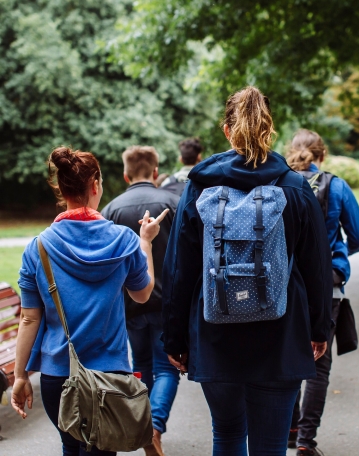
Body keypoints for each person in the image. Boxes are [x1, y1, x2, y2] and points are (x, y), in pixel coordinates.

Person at [161, 86, 333, 456]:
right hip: (281, 335)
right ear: (269, 131)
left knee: (226, 434)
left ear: (227, 130)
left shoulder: (199, 186)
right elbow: (317, 266)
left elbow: (179, 267)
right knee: (271, 446)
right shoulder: (295, 188)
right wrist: (319, 329)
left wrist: (174, 338)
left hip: (214, 335)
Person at [11, 147, 168, 456]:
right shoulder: (124, 240)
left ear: (61, 188)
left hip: (60, 375)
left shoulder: (38, 248)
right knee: (103, 449)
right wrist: (145, 243)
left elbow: (29, 319)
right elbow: (143, 293)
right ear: (95, 185)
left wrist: (19, 376)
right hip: (111, 376)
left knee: (71, 447)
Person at [286, 129, 359, 456]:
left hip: (288, 286)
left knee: (289, 357)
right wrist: (337, 253)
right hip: (328, 284)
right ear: (322, 156)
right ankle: (307, 440)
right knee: (320, 364)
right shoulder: (336, 186)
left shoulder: (280, 184)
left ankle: (289, 429)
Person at [101, 146, 180, 456]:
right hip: (168, 303)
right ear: (156, 172)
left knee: (141, 366)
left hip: (130, 304)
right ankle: (155, 426)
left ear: (125, 174)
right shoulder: (174, 203)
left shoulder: (111, 210)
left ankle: (146, 425)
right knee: (168, 369)